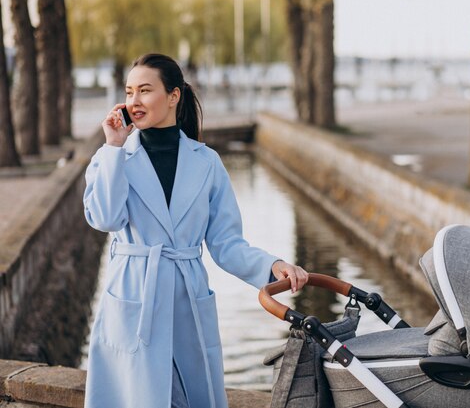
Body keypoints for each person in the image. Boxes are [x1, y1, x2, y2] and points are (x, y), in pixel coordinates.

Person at [83, 53, 309, 408]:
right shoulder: (112, 158)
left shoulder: (207, 162)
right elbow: (105, 219)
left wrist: (273, 266)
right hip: (133, 294)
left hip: (187, 297)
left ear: (173, 96)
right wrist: (112, 146)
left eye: (145, 90)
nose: (134, 101)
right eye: (129, 92)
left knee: (189, 397)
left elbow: (226, 242)